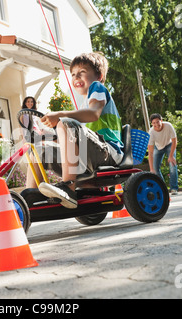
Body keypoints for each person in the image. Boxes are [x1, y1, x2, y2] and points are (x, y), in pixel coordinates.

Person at [25, 52, 124, 209]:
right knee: (39, 148)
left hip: (108, 152)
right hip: (88, 154)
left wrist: (60, 116)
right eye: (73, 74)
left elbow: (93, 114)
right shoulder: (85, 103)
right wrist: (50, 138)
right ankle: (30, 197)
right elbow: (72, 141)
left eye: (82, 73)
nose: (76, 77)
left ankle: (68, 188)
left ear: (99, 75)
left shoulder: (97, 88)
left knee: (66, 123)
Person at [147, 113, 179, 195]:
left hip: (169, 145)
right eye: (154, 123)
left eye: (157, 122)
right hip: (158, 147)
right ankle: (163, 189)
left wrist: (171, 156)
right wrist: (151, 169)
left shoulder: (168, 126)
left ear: (161, 121)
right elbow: (150, 152)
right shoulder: (151, 132)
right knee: (155, 170)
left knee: (172, 166)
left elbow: (175, 141)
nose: (156, 125)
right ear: (152, 124)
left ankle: (174, 188)